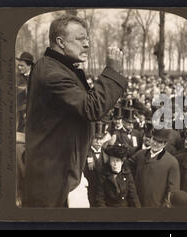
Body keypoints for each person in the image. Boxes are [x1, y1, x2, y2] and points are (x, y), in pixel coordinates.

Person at [23, 15, 127, 207]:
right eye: (80, 39)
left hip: (61, 171)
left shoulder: (57, 67)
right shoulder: (52, 73)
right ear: (60, 42)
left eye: (87, 39)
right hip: (52, 179)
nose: (87, 44)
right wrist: (113, 72)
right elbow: (92, 107)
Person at [129, 129, 180, 207]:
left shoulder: (172, 162)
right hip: (136, 204)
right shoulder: (140, 154)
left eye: (159, 142)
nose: (155, 143)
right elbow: (127, 168)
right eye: (154, 139)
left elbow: (172, 191)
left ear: (165, 144)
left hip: (156, 206)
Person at [16, 51, 34, 132]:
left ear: (29, 65)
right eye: (18, 65)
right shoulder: (16, 78)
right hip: (21, 112)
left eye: (22, 66)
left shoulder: (36, 76)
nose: (19, 67)